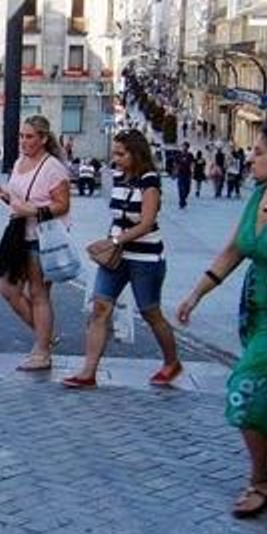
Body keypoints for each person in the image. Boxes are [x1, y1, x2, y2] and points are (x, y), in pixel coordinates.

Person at [177, 121, 267, 517]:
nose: (251, 157)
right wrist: (196, 294)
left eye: (259, 152)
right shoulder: (258, 195)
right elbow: (234, 251)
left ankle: (259, 480)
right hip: (253, 311)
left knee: (244, 391)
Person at [62, 129, 183, 390]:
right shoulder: (118, 177)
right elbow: (118, 215)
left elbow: (147, 222)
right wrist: (110, 243)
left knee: (150, 312)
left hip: (146, 256)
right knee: (100, 308)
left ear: (136, 154)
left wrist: (114, 241)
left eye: (121, 154)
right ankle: (88, 371)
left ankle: (172, 361)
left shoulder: (149, 181)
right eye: (114, 153)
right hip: (117, 256)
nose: (115, 159)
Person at [0, 115, 73, 372]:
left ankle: (42, 350)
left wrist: (32, 212)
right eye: (22, 136)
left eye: (29, 137)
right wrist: (5, 195)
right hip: (17, 234)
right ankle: (45, 338)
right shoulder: (20, 163)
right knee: (7, 288)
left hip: (41, 237)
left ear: (43, 139)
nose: (24, 141)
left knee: (39, 293)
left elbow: (62, 205)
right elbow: (20, 200)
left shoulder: (53, 167)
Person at [172, 141, 195, 209]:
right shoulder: (178, 155)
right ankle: (181, 202)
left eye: (186, 146)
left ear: (188, 147)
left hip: (188, 174)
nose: (184, 148)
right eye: (183, 146)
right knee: (181, 188)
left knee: (187, 189)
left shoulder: (190, 155)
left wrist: (193, 172)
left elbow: (192, 164)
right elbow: (175, 164)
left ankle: (183, 199)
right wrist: (174, 172)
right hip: (180, 173)